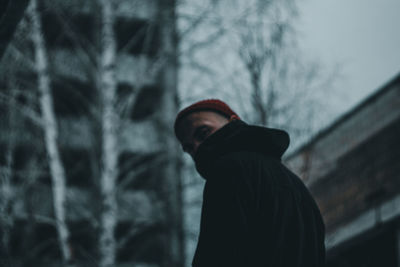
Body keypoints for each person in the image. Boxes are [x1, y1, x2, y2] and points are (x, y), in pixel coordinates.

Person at [174, 99, 326, 267]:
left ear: (233, 122)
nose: (197, 148)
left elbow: (218, 255)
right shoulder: (295, 184)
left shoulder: (228, 170)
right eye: (189, 148)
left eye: (203, 133)